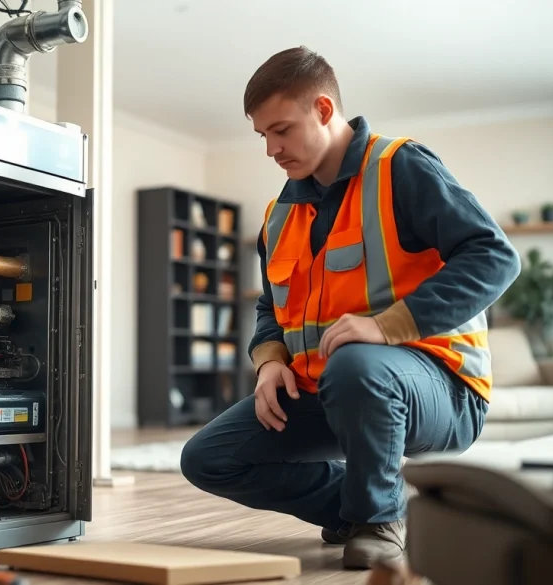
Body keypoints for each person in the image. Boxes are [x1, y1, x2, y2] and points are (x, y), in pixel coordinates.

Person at [179, 46, 521, 570]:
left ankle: (377, 519)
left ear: (322, 109)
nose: (271, 148)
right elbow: (270, 306)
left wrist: (388, 326)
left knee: (357, 364)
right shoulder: (278, 215)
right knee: (208, 458)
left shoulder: (400, 167)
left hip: (442, 392)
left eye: (282, 129)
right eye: (262, 135)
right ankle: (358, 506)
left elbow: (495, 258)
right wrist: (269, 361)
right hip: (333, 391)